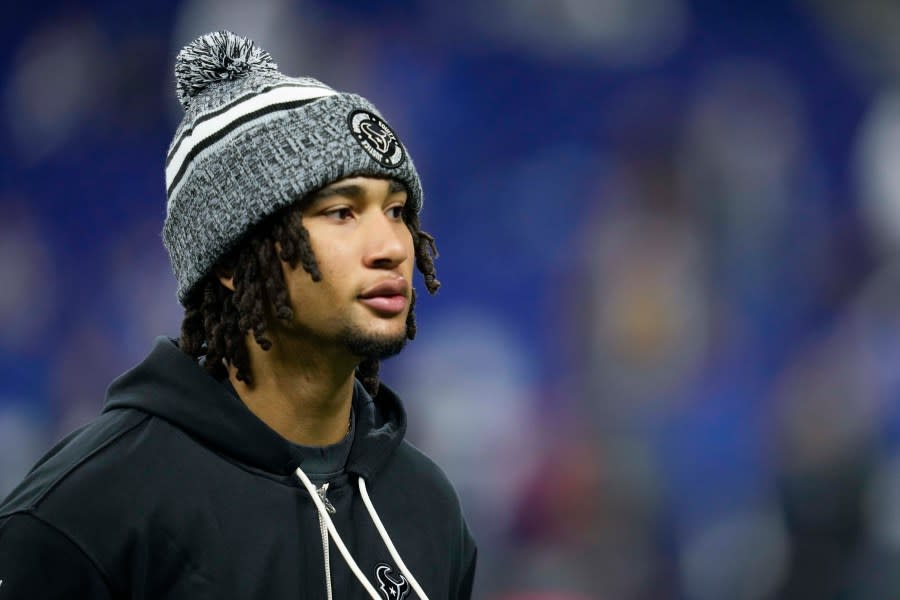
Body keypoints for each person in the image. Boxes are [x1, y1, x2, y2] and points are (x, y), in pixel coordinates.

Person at [0, 30, 476, 599]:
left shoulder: (426, 507)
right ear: (233, 260)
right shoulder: (83, 515)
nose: (392, 247)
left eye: (397, 210)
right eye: (342, 212)